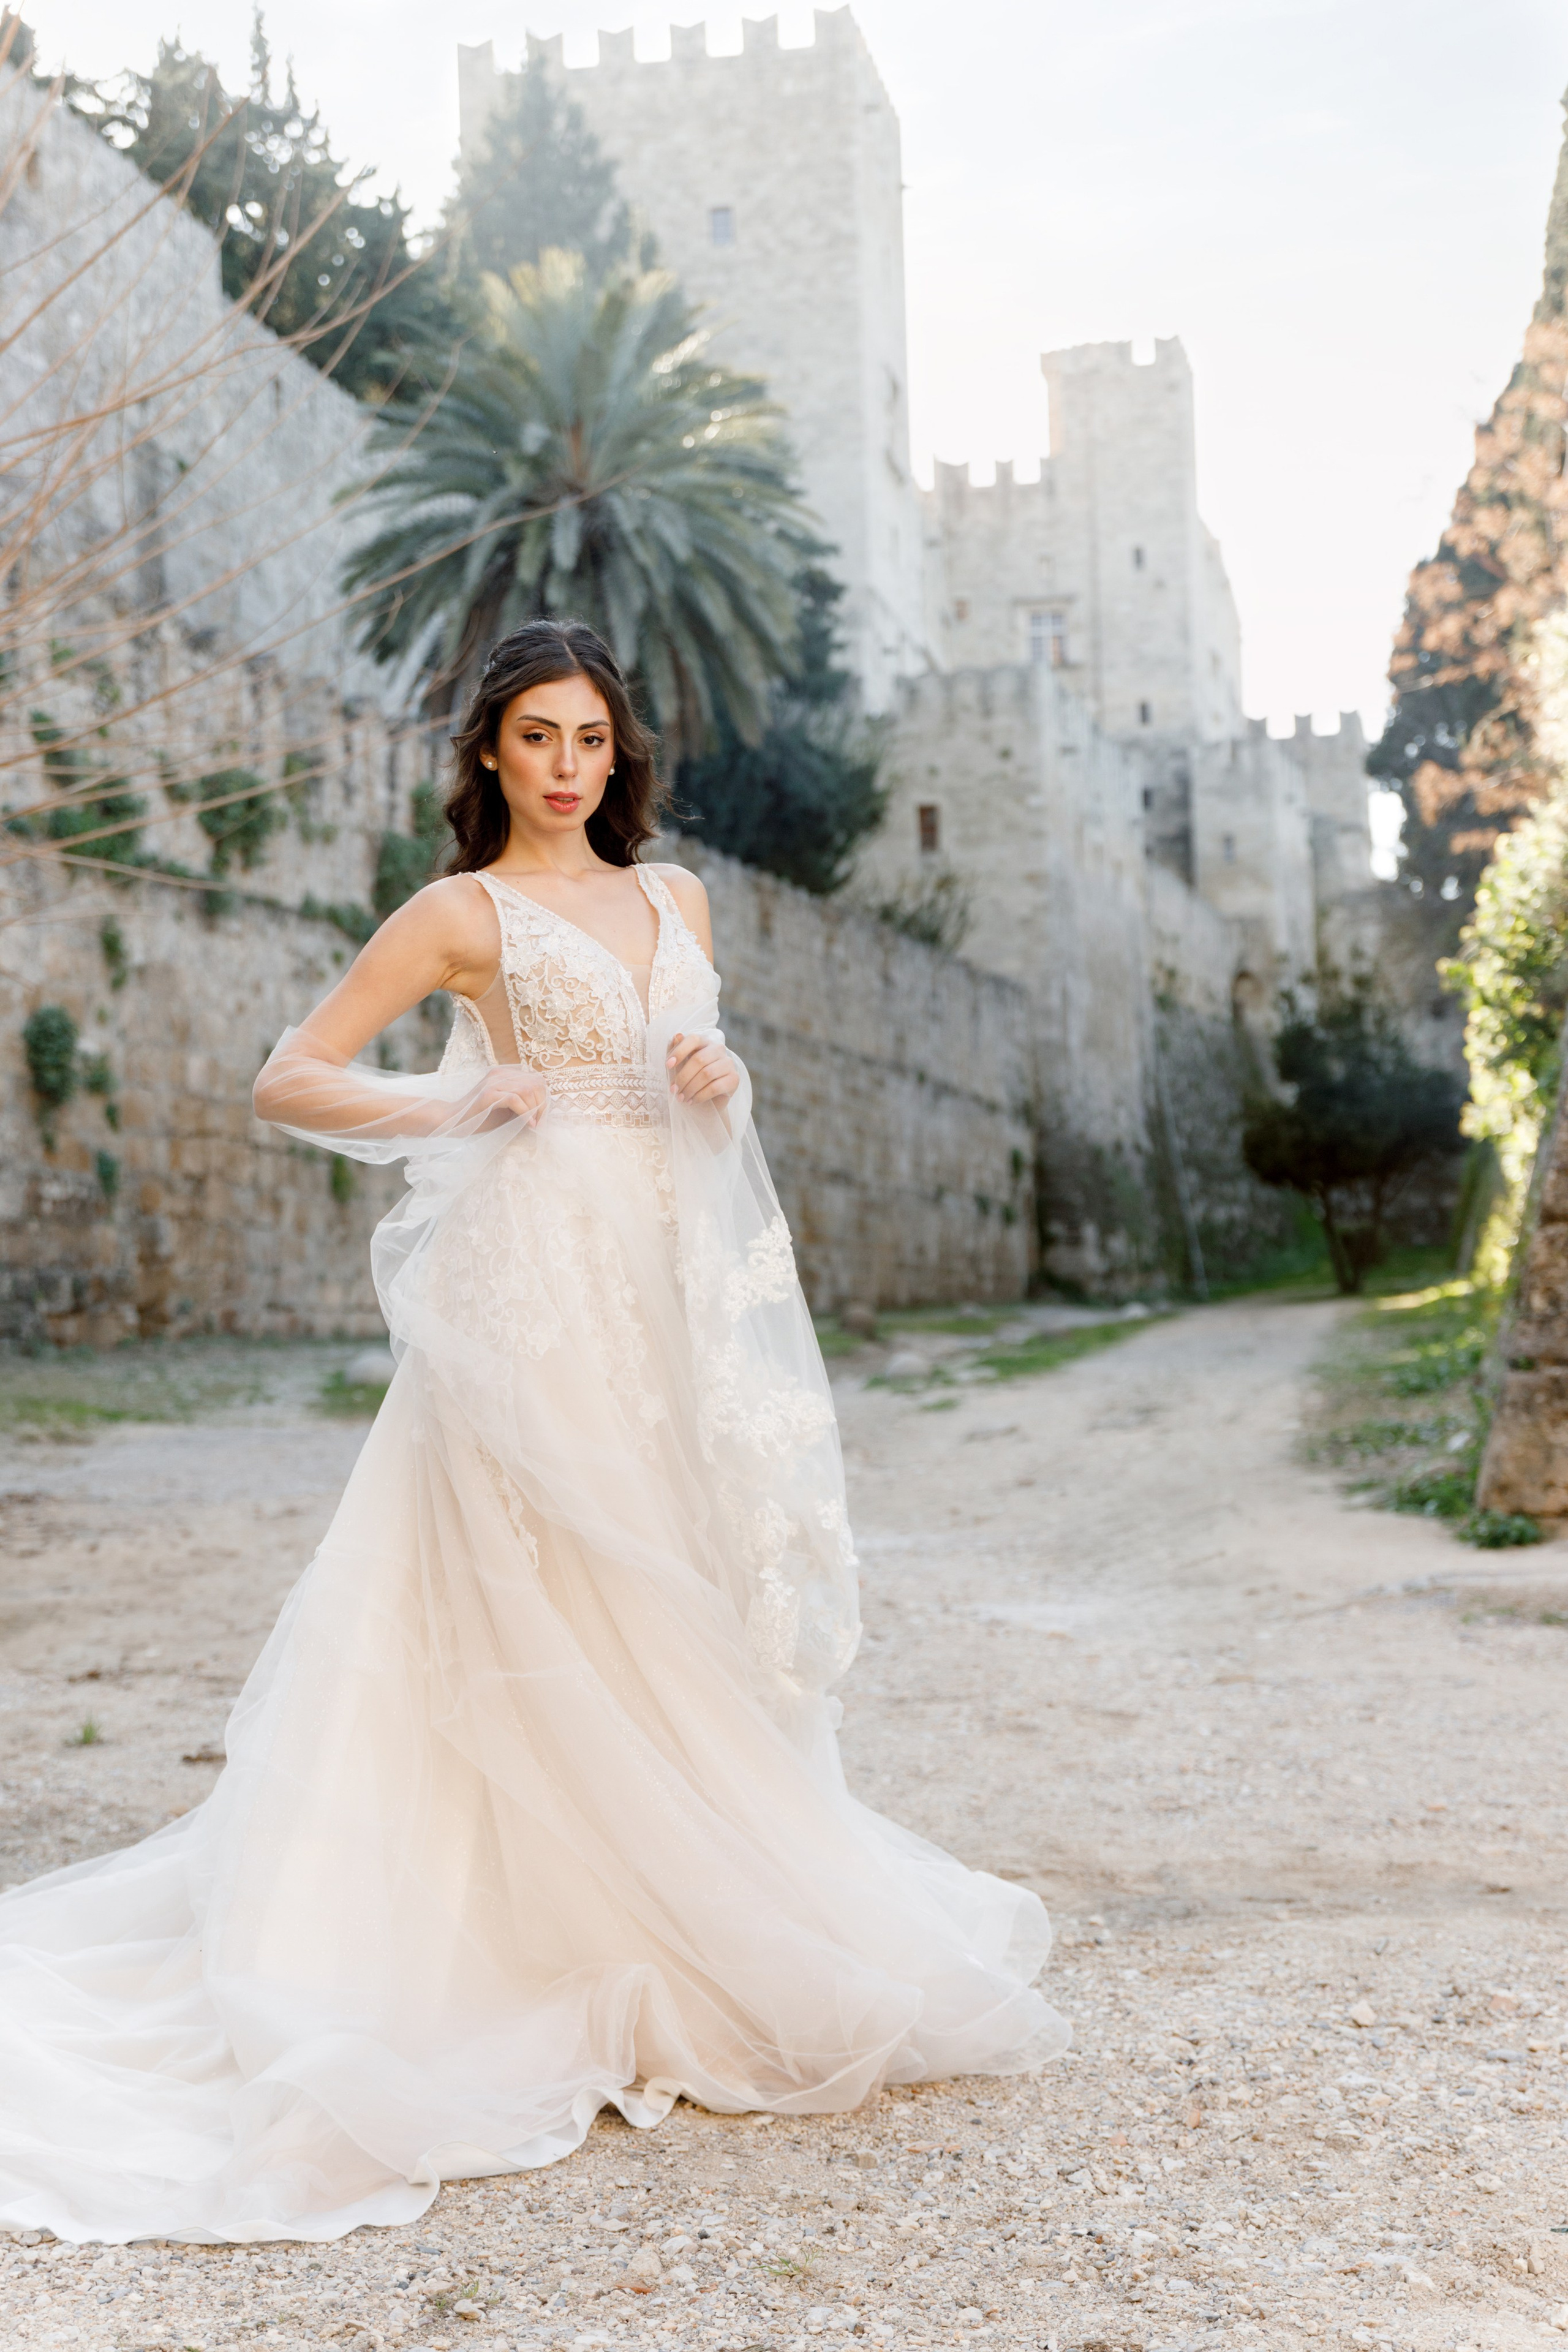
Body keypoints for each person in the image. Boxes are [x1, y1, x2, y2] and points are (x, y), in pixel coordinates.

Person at [0, 619, 1066, 2245]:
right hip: (534, 1292)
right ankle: (516, 1940)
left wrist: (720, 1074)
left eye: (590, 739)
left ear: (615, 755)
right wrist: (450, 1103)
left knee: (682, 1581)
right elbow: (292, 1077)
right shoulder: (460, 916)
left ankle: (698, 1904)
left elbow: (686, 1069)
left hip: (665, 1284)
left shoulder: (681, 899)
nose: (567, 768)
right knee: (541, 1584)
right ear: (489, 755)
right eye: (536, 739)